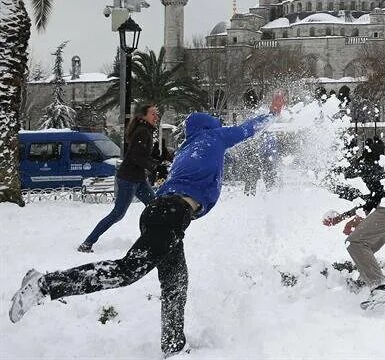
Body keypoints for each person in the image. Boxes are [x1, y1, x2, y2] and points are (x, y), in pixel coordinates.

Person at [10, 92, 287, 355]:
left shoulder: (187, 148)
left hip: (163, 213)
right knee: (126, 271)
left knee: (176, 283)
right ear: (211, 126)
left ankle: (173, 346)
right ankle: (45, 284)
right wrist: (272, 114)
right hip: (170, 215)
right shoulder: (213, 137)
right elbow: (246, 129)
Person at [323, 139, 385, 310]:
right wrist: (344, 218)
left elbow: (371, 200)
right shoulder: (378, 166)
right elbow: (372, 199)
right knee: (365, 247)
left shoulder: (367, 167)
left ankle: (379, 288)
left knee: (355, 243)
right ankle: (366, 279)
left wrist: (346, 219)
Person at [78, 103, 160, 253]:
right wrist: (155, 167)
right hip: (128, 178)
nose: (156, 117)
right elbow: (136, 157)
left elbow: (141, 155)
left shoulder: (145, 131)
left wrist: (156, 163)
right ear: (143, 116)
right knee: (118, 214)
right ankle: (87, 243)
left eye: (156, 114)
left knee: (155, 206)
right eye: (153, 114)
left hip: (138, 178)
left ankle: (151, 239)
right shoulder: (143, 132)